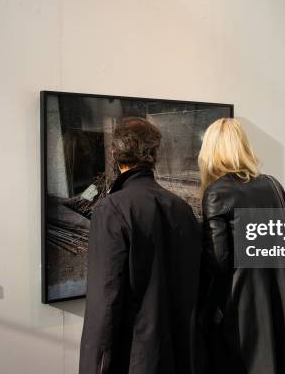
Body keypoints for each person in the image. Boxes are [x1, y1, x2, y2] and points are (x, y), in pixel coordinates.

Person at [79, 117, 202, 374]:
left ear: (114, 153)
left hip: (133, 356)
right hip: (179, 354)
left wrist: (93, 366)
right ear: (154, 154)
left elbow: (105, 299)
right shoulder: (181, 208)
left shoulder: (112, 208)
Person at [198, 118, 285, 374]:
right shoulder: (272, 185)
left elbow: (218, 262)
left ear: (210, 151)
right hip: (276, 297)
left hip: (239, 306)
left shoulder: (216, 193)